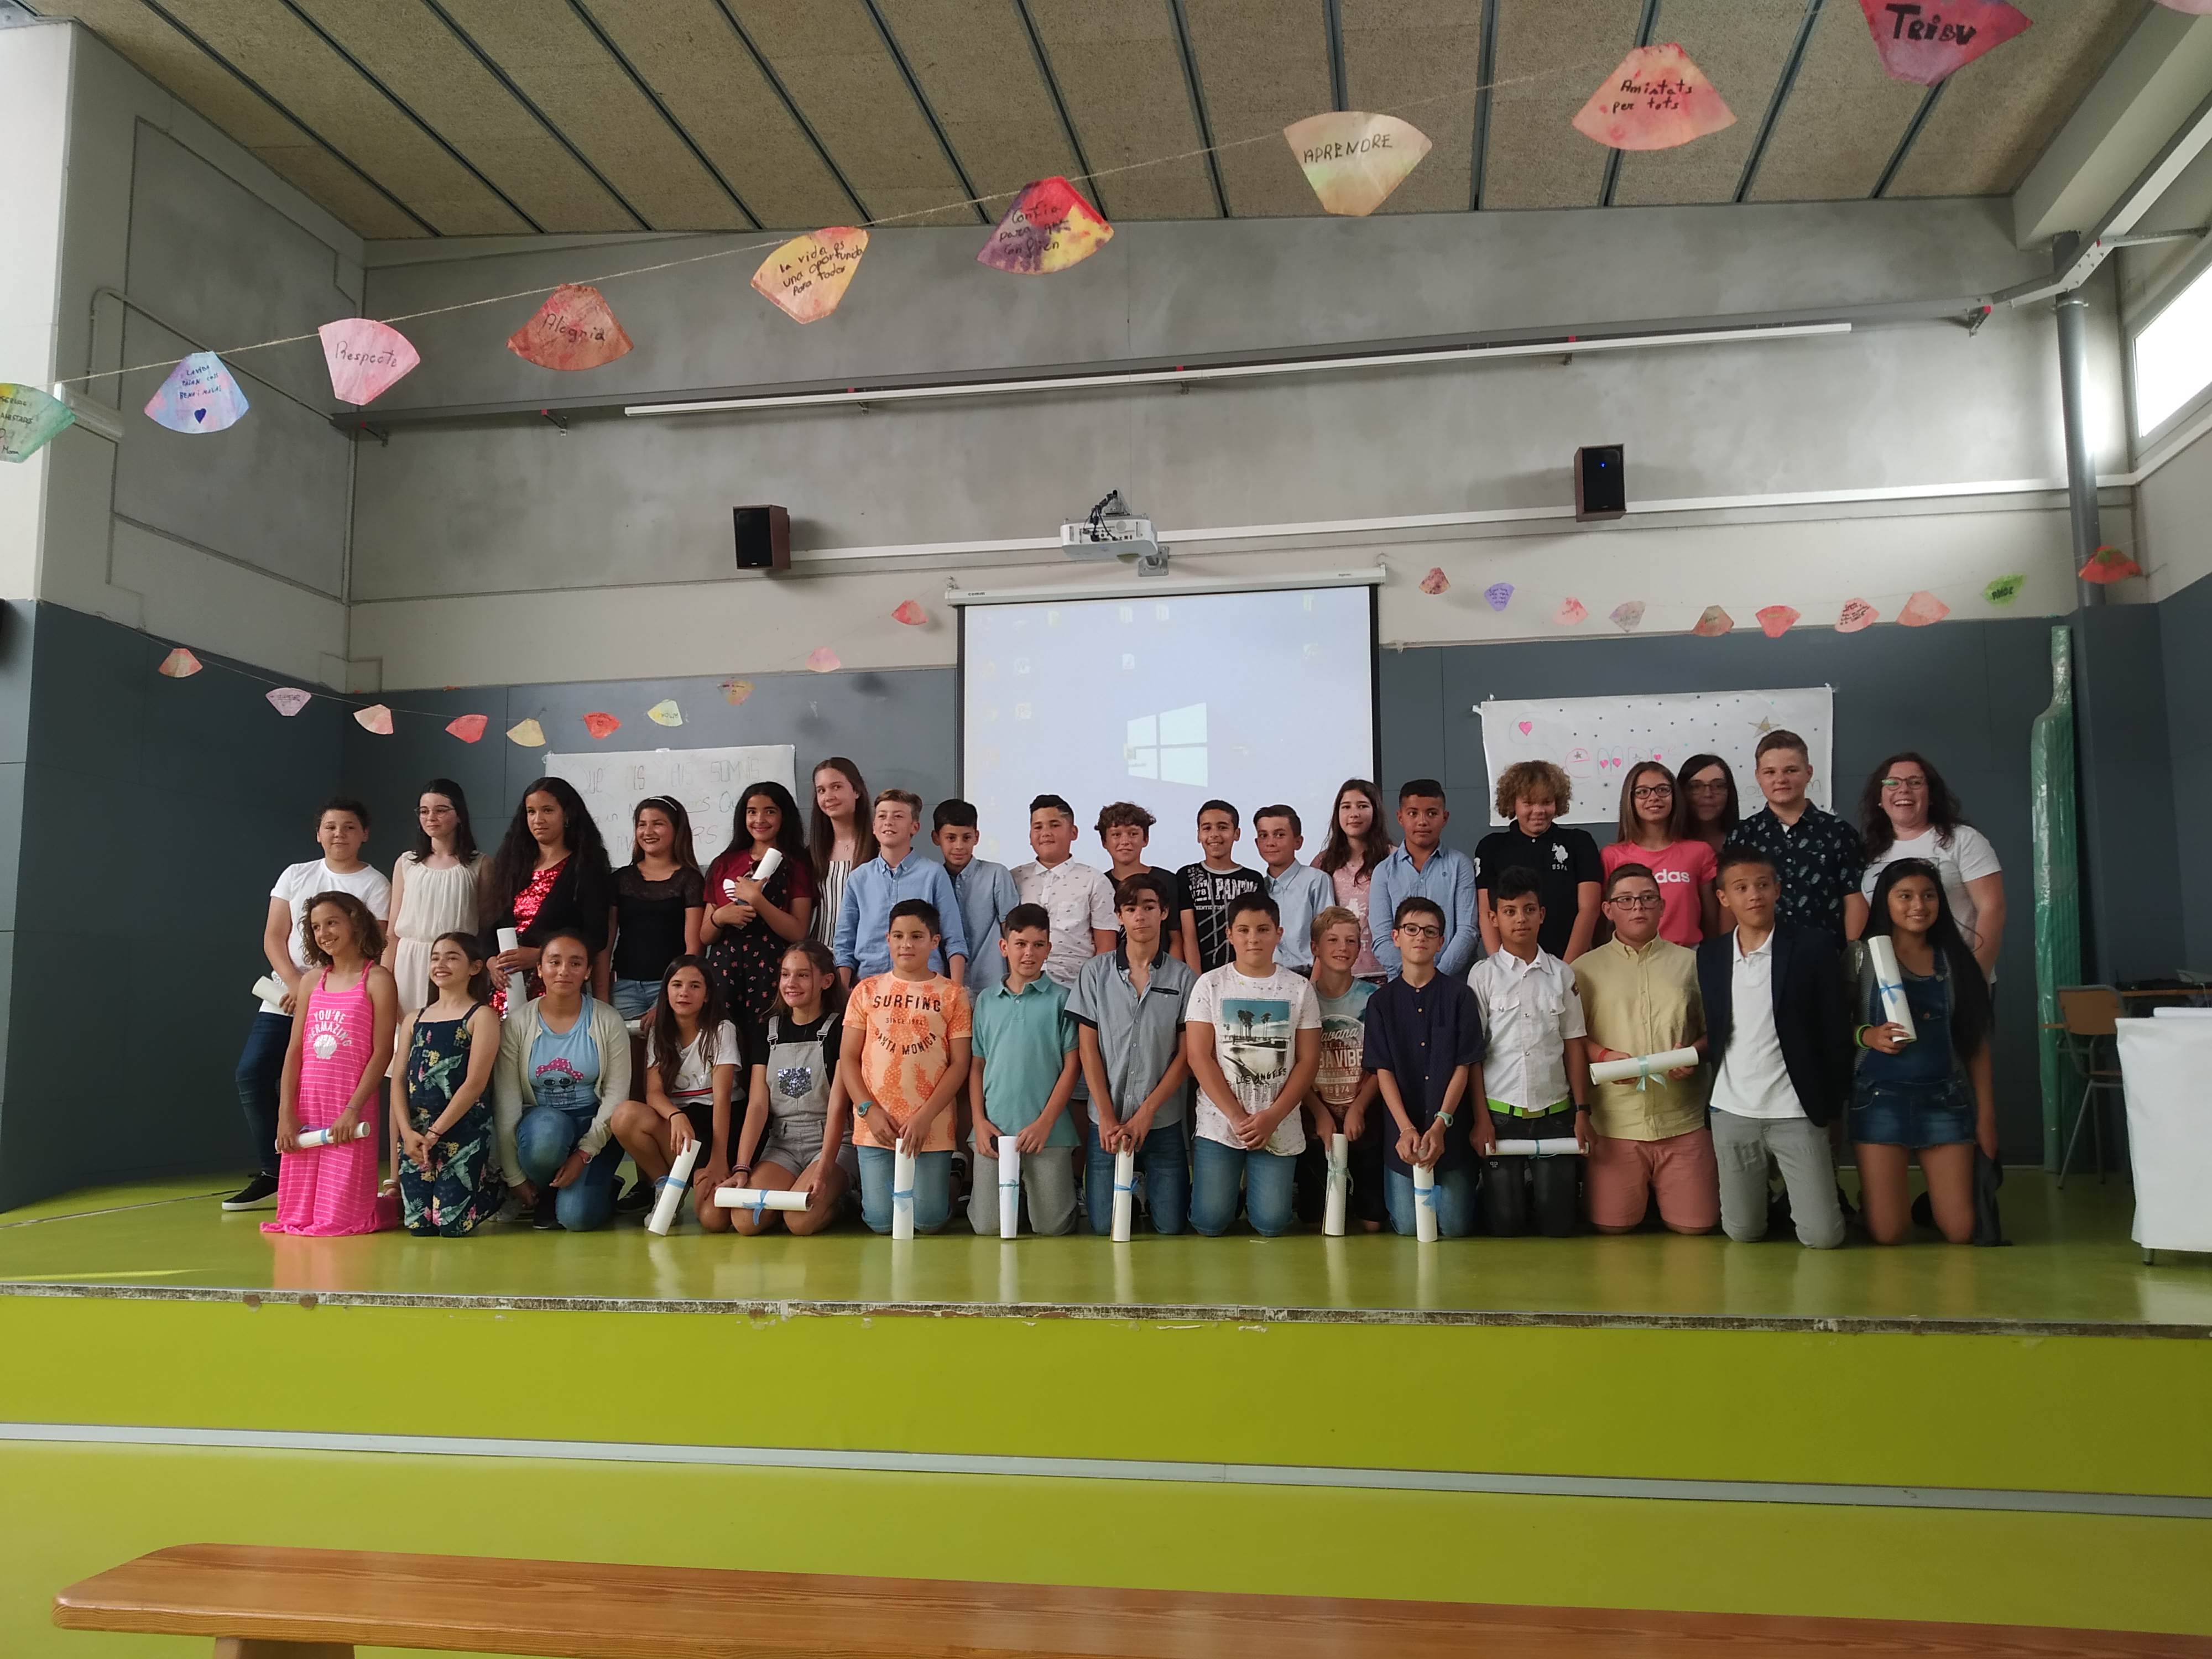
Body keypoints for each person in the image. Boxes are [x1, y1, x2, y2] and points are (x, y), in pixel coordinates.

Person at [225, 797, 391, 1212]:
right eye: (330, 827)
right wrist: (298, 985)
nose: (339, 834)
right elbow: (273, 936)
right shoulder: (295, 874)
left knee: (329, 1082)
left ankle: (328, 1177)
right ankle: (274, 1170)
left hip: (341, 997)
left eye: (349, 827)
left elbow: (373, 944)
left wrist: (317, 991)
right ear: (318, 833)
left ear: (364, 834)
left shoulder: (376, 884)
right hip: (288, 994)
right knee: (252, 1073)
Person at [1695, 845, 1851, 1249]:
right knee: (1743, 1232)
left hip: (1795, 1109)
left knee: (1823, 1237)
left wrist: (1831, 1106)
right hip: (1732, 1109)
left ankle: (1796, 1200)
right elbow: (1716, 1028)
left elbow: (1835, 1028)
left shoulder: (1813, 947)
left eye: (1763, 885)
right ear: (1723, 897)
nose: (1754, 895)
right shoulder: (1710, 956)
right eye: (1741, 888)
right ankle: (1770, 1200)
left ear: (1778, 890)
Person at [1851, 860, 1999, 1245]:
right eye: (1905, 896)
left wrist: (1986, 1118)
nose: (1918, 905)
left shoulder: (1956, 961)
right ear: (1885, 902)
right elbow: (1831, 1028)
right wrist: (1867, 1036)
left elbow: (1976, 1042)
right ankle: (1877, 1204)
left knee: (1961, 1231)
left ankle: (1928, 1204)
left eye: (1928, 895)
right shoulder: (1861, 958)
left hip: (1944, 1100)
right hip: (1878, 1099)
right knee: (1888, 1234)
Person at [1573, 865, 1715, 1235]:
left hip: (1681, 1117)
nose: (1638, 907)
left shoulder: (1692, 964)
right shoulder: (1583, 969)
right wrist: (1603, 1056)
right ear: (1607, 909)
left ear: (1662, 906)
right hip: (1616, 1123)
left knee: (1696, 1227)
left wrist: (1693, 1054)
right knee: (1612, 1227)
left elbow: (1714, 1032)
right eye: (1625, 900)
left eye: (1648, 898)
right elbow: (1569, 1038)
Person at [1186, 893, 1322, 1238]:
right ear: (1229, 934)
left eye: (1263, 929)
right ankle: (1227, 1192)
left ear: (1279, 934)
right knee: (1209, 1223)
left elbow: (1308, 1060)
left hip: (1277, 1121)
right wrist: (1236, 1116)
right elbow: (1198, 1056)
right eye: (1244, 930)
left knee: (1271, 1224)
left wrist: (1272, 1116)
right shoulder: (1210, 984)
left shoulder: (1299, 989)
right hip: (1221, 1121)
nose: (1253, 938)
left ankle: (1254, 1191)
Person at [264, 891, 398, 1238]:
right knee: (297, 1218)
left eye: (332, 923)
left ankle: (395, 1206)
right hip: (307, 1105)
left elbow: (382, 1052)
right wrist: (286, 1113)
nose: (323, 933)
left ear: (355, 922)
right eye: (316, 927)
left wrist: (354, 1109)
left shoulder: (378, 980)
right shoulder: (311, 981)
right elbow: (295, 1050)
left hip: (349, 1105)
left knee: (340, 1220)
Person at [832, 899, 971, 1234]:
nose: (906, 944)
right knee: (881, 1222)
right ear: (888, 939)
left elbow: (960, 1063)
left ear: (934, 941)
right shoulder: (866, 991)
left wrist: (925, 1118)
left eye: (916, 936)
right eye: (898, 936)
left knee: (927, 1221)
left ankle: (953, 1176)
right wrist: (867, 1110)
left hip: (930, 1126)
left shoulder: (953, 995)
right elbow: (848, 1058)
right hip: (876, 1124)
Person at [1069, 874, 1196, 1236]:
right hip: (1106, 1120)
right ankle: (1134, 1192)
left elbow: (1186, 1055)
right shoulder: (1094, 973)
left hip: (1162, 1120)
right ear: (1119, 917)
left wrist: (1146, 1113)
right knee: (1104, 1225)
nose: (1140, 916)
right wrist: (1107, 1117)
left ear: (1164, 912)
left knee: (1171, 1226)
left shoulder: (1184, 978)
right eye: (1130, 908)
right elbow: (1088, 1049)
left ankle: (1147, 1191)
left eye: (1149, 907)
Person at [1468, 868, 1592, 1238]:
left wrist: (1581, 1111)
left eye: (1528, 909)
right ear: (1494, 918)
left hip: (1554, 1112)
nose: (1520, 919)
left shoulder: (1562, 974)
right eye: (1509, 911)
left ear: (1542, 914)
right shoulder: (1482, 976)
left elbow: (1574, 1044)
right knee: (1505, 1225)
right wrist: (1481, 1118)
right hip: (1500, 1114)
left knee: (1559, 1226)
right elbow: (1473, 1054)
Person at [493, 929, 633, 1232]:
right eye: (554, 962)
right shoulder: (517, 1024)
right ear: (540, 969)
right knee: (547, 1134)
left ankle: (602, 1186)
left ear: (588, 972)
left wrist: (584, 1153)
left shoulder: (608, 1020)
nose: (564, 971)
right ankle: (547, 1190)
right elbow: (506, 1104)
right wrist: (514, 1177)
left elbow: (616, 1096)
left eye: (575, 963)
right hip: (543, 1128)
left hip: (595, 1129)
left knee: (576, 1219)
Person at [711, 939, 853, 1236]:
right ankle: (789, 1195)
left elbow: (839, 1106)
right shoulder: (768, 1028)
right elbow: (758, 1106)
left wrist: (824, 1169)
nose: (791, 983)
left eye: (803, 975)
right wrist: (742, 1167)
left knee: (800, 1222)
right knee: (745, 1221)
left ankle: (847, 1200)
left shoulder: (841, 1029)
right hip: (783, 1144)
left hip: (833, 1142)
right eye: (786, 974)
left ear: (827, 981)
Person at [1363, 897, 1484, 1238]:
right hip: (1401, 1134)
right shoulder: (1380, 1002)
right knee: (1408, 1227)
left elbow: (1464, 1065)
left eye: (1430, 932)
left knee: (1455, 1228)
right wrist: (1405, 1129)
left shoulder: (1460, 996)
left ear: (1441, 942)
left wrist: (1441, 1124)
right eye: (1412, 929)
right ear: (1396, 936)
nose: (1421, 937)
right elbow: (1383, 1070)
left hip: (1451, 1132)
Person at [967, 904, 1082, 1237]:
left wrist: (1045, 1124)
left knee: (1053, 1227)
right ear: (1004, 947)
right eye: (1020, 944)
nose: (1028, 953)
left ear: (1048, 949)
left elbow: (1072, 1066)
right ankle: (1016, 1198)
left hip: (1049, 1132)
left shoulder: (1062, 999)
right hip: (994, 1130)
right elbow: (977, 1065)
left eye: (1037, 945)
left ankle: (1049, 1198)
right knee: (988, 1227)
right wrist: (979, 1121)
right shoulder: (986, 1001)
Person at [606, 957, 739, 1223]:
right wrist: (675, 1116)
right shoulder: (661, 1032)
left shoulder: (722, 1030)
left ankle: (694, 1178)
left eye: (694, 986)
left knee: (712, 1219)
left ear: (707, 995)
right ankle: (666, 1186)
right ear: (666, 991)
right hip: (682, 1123)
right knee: (624, 1116)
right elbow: (653, 1093)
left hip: (718, 1123)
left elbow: (723, 1098)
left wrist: (718, 1159)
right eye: (677, 985)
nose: (684, 993)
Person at [392, 931, 505, 1238]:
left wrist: (435, 1133)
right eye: (435, 958)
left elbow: (475, 1083)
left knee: (452, 1226)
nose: (441, 964)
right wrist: (407, 1133)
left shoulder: (482, 1016)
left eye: (452, 957)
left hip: (461, 1130)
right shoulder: (414, 1019)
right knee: (419, 1226)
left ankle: (497, 1188)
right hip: (417, 1135)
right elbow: (399, 1079)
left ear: (475, 967)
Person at [1853, 753, 2005, 979]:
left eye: (1915, 782)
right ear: (1880, 798)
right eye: (1892, 783)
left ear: (1931, 795)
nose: (1904, 790)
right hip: (1890, 980)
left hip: (1955, 976)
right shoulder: (1867, 851)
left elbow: (1992, 908)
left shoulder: (1963, 840)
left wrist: (1976, 976)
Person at [482, 777, 615, 1011]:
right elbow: (488, 927)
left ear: (567, 815)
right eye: (531, 812)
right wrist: (492, 962)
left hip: (557, 989)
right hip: (505, 991)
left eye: (548, 811)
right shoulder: (512, 865)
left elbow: (595, 936)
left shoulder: (586, 867)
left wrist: (540, 956)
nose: (538, 820)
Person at [1295, 907, 1386, 1232]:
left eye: (1351, 941)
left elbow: (1382, 1064)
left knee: (1372, 1224)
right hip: (1314, 1118)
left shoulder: (1374, 999)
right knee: (1315, 1220)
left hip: (1364, 1116)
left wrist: (1359, 1107)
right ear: (1315, 947)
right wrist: (1319, 1112)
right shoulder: (1301, 998)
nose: (1343, 948)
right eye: (1332, 940)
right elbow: (1294, 1066)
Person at [701, 781, 817, 1036]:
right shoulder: (724, 863)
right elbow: (705, 936)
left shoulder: (796, 865)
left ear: (784, 816)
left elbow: (799, 932)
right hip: (725, 969)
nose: (760, 819)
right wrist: (720, 917)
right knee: (724, 1039)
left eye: (770, 811)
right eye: (752, 812)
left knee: (765, 1039)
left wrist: (758, 901)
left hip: (771, 968)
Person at [1730, 731, 1867, 943]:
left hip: (1827, 953)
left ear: (1809, 772)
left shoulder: (1839, 833)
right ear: (1758, 776)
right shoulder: (1742, 836)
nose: (1781, 780)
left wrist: (1851, 952)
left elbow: (1854, 897)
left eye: (1791, 770)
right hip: (1761, 955)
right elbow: (1730, 902)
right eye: (1770, 772)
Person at [835, 790, 968, 989]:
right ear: (874, 827)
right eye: (882, 816)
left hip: (924, 988)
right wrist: (842, 993)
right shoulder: (858, 878)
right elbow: (845, 942)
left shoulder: (933, 874)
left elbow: (954, 939)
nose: (889, 822)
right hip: (870, 987)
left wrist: (956, 992)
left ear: (915, 827)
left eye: (898, 816)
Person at [1475, 761, 1603, 962]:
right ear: (1513, 803)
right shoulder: (1491, 847)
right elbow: (1486, 913)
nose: (1539, 810)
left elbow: (1589, 909)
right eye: (1528, 803)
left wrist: (1567, 969)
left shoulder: (1580, 842)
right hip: (1510, 968)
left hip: (1570, 962)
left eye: (1546, 802)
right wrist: (1500, 966)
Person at [383, 780, 485, 1008]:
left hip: (455, 962)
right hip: (408, 961)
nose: (431, 817)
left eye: (441, 810)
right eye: (424, 811)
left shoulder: (480, 864)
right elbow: (393, 931)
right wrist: (385, 974)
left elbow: (486, 924)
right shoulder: (406, 863)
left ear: (459, 815)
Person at [609, 796, 705, 1025]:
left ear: (676, 829)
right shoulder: (620, 879)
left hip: (670, 987)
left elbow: (694, 949)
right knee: (624, 1047)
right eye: (642, 824)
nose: (648, 831)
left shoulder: (690, 880)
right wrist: (602, 997)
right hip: (624, 985)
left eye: (658, 824)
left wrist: (667, 998)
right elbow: (606, 944)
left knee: (664, 1045)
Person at [1368, 780, 1477, 979]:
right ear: (1400, 817)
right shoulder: (1384, 871)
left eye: (1432, 813)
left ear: (1445, 818)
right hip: (1401, 983)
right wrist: (1411, 977)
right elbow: (1383, 937)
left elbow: (1467, 931)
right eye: (1413, 813)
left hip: (1452, 982)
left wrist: (1436, 978)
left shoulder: (1460, 865)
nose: (1422, 822)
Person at [1600, 763, 1718, 947]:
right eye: (1642, 792)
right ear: (1630, 799)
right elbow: (1601, 923)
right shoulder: (1611, 856)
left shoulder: (1699, 852)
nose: (1654, 797)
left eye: (1663, 790)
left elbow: (1712, 921)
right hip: (1631, 956)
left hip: (1688, 955)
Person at [1010, 794, 1117, 988]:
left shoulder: (1094, 880)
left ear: (1073, 832)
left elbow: (1106, 948)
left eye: (1054, 825)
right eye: (1038, 827)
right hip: (1021, 991)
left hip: (1074, 990)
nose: (1046, 833)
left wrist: (1091, 993)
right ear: (1030, 835)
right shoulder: (1014, 879)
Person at [935, 799, 1020, 997]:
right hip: (944, 987)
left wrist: (1016, 986)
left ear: (977, 837)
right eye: (951, 838)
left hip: (993, 986)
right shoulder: (932, 878)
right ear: (936, 838)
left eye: (966, 838)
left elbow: (1012, 932)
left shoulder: (996, 874)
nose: (959, 846)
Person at [1314, 779, 1394, 979]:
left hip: (1387, 972)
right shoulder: (1323, 862)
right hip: (1338, 975)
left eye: (1362, 806)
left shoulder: (1394, 859)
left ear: (1375, 811)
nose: (1354, 814)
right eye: (1346, 807)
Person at [1177, 800, 1268, 973]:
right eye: (1207, 828)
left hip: (1244, 973)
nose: (1214, 834)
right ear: (1198, 835)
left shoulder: (1253, 879)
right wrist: (1197, 980)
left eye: (1223, 827)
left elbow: (1257, 930)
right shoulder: (1187, 875)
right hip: (1201, 974)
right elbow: (1189, 936)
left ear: (1237, 834)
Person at [1094, 801, 1183, 959]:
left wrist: (1172, 973)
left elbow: (1176, 938)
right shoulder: (1099, 884)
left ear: (1145, 839)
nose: (1125, 841)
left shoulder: (1167, 880)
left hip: (1161, 968)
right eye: (1116, 835)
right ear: (1104, 842)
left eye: (1133, 834)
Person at [806, 757, 876, 952]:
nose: (828, 797)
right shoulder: (811, 853)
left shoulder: (879, 848)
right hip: (819, 955)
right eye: (821, 790)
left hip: (865, 955)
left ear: (856, 791)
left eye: (836, 787)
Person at [1255, 806, 1334, 975]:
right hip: (1265, 976)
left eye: (1280, 835)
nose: (1270, 842)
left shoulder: (1316, 881)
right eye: (1263, 835)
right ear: (1257, 843)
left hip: (1307, 975)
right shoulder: (1257, 887)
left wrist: (1314, 983)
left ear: (1298, 842)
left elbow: (1327, 938)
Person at [1675, 753, 1741, 860]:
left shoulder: (1748, 835)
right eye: (1696, 787)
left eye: (1718, 786)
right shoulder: (1667, 842)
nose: (1708, 794)